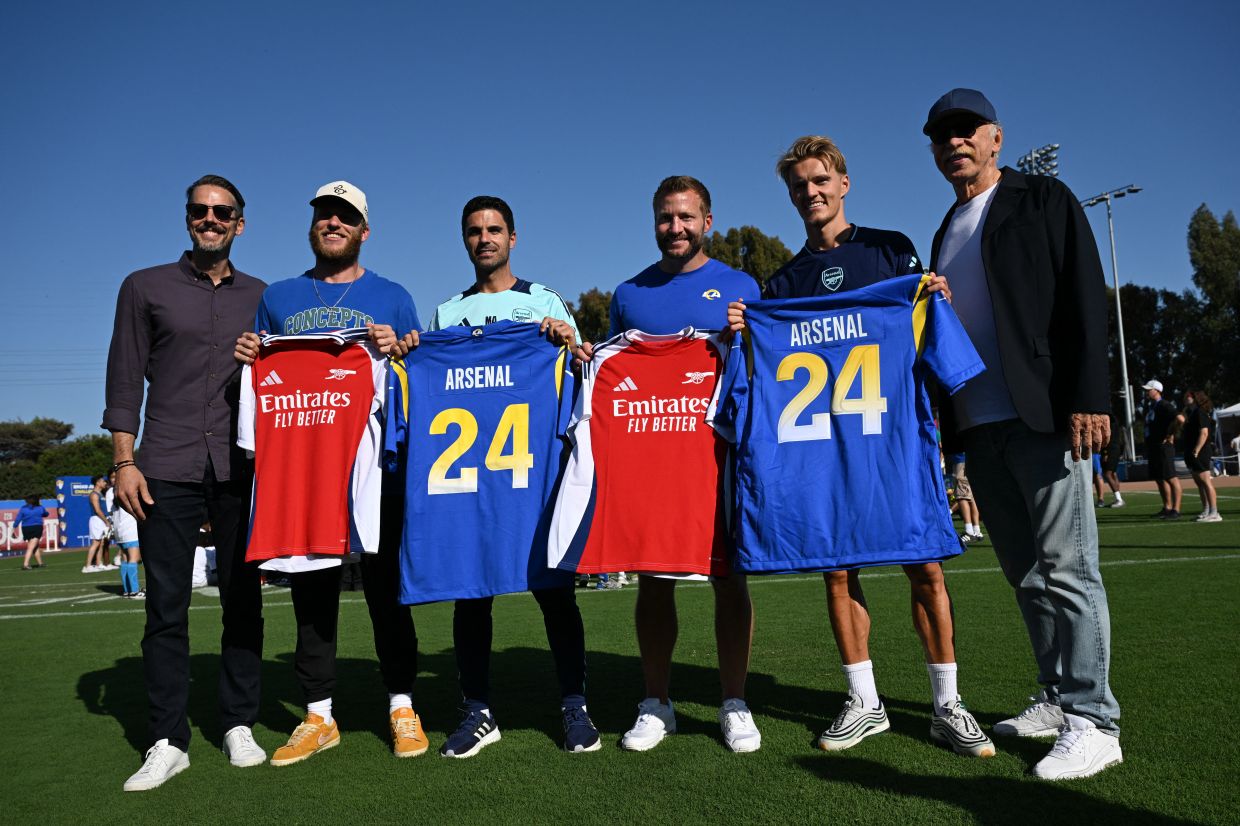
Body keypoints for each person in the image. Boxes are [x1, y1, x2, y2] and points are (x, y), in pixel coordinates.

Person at [727, 136, 993, 758]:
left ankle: (947, 703)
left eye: (820, 180)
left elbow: (925, 335)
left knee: (923, 563)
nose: (810, 193)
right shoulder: (783, 283)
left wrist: (934, 302)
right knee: (837, 567)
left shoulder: (889, 250)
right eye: (798, 186)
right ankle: (864, 701)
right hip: (820, 450)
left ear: (844, 183)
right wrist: (745, 331)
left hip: (892, 440)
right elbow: (763, 368)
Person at [923, 88, 1121, 780]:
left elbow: (1082, 295)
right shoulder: (946, 225)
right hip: (980, 425)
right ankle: (1058, 696)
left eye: (966, 130)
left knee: (1069, 570)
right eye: (942, 135)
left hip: (1043, 414)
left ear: (996, 137)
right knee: (1028, 574)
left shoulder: (1043, 199)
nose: (955, 142)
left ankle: (1096, 719)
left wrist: (1089, 395)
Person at [233, 180, 426, 765]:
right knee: (310, 590)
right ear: (313, 226)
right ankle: (319, 716)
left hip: (375, 464)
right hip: (305, 467)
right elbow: (263, 378)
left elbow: (417, 374)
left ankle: (401, 704)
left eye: (345, 217)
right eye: (324, 216)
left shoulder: (393, 294)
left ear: (364, 230)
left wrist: (402, 348)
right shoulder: (279, 297)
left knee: (387, 590)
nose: (333, 224)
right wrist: (250, 355)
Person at [579, 175, 763, 753]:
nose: (675, 228)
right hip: (652, 460)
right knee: (654, 580)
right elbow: (612, 375)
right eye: (665, 218)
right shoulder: (630, 294)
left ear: (707, 221)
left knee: (728, 580)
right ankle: (656, 702)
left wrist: (747, 336)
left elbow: (766, 368)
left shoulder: (740, 286)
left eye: (686, 217)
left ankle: (734, 701)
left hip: (717, 458)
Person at [410, 194, 597, 757]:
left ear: (512, 238)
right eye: (474, 231)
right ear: (464, 240)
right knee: (471, 592)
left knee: (554, 590)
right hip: (469, 478)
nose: (484, 238)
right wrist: (415, 350)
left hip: (533, 473)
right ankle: (477, 709)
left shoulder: (544, 301)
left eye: (494, 229)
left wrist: (569, 342)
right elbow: (430, 383)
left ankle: (574, 704)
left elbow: (582, 370)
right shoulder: (447, 314)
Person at [104, 174, 268, 791]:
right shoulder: (143, 286)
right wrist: (124, 461)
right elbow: (124, 380)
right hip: (164, 466)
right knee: (165, 611)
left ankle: (238, 724)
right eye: (200, 210)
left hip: (240, 469)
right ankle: (168, 740)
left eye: (222, 212)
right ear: (187, 218)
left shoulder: (264, 296)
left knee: (243, 603)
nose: (210, 219)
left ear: (239, 223)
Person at [1143, 380, 1181, 519]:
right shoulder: (1152, 406)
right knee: (1159, 478)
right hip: (1154, 447)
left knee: (1171, 477)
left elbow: (1180, 419)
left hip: (1164, 447)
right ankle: (1167, 507)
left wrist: (1171, 434)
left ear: (1157, 390)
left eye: (1149, 390)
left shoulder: (1164, 405)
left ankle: (1176, 510)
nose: (1147, 392)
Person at [1183, 390, 1221, 522]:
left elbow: (1204, 433)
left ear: (1196, 399)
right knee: (1199, 483)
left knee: (1205, 481)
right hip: (1193, 452)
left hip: (1201, 452)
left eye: (1189, 396)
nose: (1186, 398)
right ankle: (1206, 510)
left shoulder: (1200, 413)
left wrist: (1196, 450)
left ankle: (1214, 512)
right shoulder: (1191, 413)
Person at [84, 475, 114, 572]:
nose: (105, 483)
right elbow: (97, 510)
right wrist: (106, 521)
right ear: (97, 482)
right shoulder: (94, 494)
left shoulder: (100, 494)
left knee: (101, 543)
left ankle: (98, 564)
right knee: (96, 542)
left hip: (101, 519)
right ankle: (87, 566)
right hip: (97, 519)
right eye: (102, 481)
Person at [16, 494, 49, 570]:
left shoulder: (23, 508)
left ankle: (40, 563)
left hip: (26, 529)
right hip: (36, 528)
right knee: (31, 547)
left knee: (35, 546)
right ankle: (26, 564)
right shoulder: (40, 508)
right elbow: (46, 514)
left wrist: (14, 527)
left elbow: (18, 519)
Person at [1101, 414, 1126, 507]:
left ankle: (1119, 499)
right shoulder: (1114, 419)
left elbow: (1106, 436)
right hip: (1116, 447)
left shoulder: (1108, 419)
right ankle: (1118, 498)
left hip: (1111, 448)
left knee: (1107, 474)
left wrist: (1105, 452)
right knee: (1113, 473)